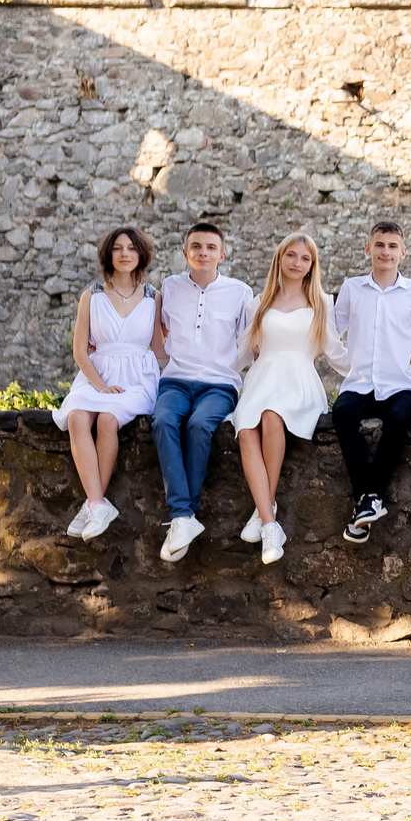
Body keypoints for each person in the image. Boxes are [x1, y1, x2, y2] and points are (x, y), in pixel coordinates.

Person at [229, 232, 343, 567]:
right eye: (291, 255)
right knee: (246, 428)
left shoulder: (322, 302)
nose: (296, 263)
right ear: (280, 258)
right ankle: (269, 521)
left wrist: (378, 370)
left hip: (298, 380)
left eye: (304, 258)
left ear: (312, 265)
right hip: (263, 377)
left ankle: (264, 510)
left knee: (271, 416)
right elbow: (239, 354)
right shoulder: (258, 302)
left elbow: (337, 353)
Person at [149, 221, 253, 564]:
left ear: (221, 254)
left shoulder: (240, 291)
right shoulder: (170, 286)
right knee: (163, 421)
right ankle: (183, 517)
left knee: (198, 426)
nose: (202, 252)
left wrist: (228, 370)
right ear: (185, 252)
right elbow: (161, 335)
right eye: (196, 246)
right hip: (176, 379)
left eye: (210, 247)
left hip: (219, 384)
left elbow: (248, 343)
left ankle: (182, 515)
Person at [330, 220, 411, 545]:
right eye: (379, 245)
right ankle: (371, 498)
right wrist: (346, 363)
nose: (385, 252)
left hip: (399, 384)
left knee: (400, 418)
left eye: (392, 246)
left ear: (402, 252)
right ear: (368, 249)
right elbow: (330, 331)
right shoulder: (352, 288)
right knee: (341, 413)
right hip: (359, 382)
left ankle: (367, 499)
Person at [55, 226, 160, 543]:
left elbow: (159, 347)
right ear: (108, 255)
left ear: (140, 254)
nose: (125, 253)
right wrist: (99, 386)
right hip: (96, 374)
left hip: (137, 377)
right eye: (118, 248)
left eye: (131, 248)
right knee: (76, 416)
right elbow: (79, 350)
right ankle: (99, 503)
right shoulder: (92, 296)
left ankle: (91, 505)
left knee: (107, 420)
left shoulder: (154, 297)